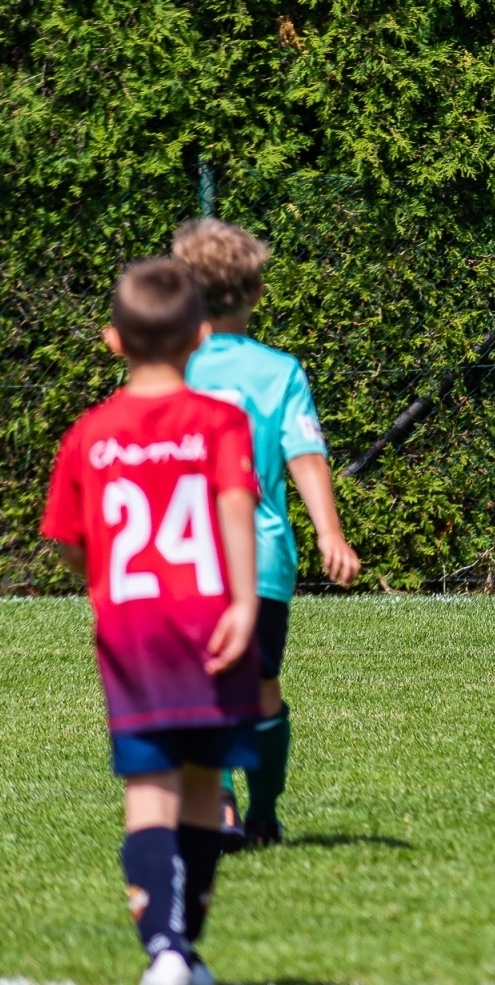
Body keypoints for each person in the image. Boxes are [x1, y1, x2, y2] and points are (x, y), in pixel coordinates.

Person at [41, 258, 262, 985]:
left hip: (133, 632)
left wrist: (101, 587)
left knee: (148, 792)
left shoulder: (89, 435)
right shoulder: (220, 422)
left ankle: (165, 951)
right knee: (204, 790)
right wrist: (240, 602)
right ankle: (182, 948)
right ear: (201, 337)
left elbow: (70, 540)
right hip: (213, 624)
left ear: (112, 340)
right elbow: (234, 508)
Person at [172, 219, 360, 851]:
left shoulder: (168, 369)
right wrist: (330, 533)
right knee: (259, 688)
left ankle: (223, 803)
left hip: (184, 556)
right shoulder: (279, 371)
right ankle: (258, 812)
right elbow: (304, 454)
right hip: (264, 558)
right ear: (254, 292)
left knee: (202, 684)